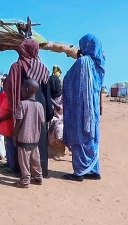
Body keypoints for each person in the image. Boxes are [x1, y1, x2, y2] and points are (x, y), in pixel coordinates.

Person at [5, 39, 54, 177]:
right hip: (40, 105)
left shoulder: (16, 66)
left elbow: (9, 88)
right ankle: (40, 172)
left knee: (22, 136)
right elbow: (47, 92)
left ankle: (22, 172)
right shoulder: (42, 68)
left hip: (23, 105)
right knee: (39, 137)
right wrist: (49, 112)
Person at [62, 34, 105, 182]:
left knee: (80, 136)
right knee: (91, 136)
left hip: (81, 108)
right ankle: (93, 170)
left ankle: (79, 171)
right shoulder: (99, 64)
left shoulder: (83, 63)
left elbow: (68, 80)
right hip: (92, 108)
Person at [13, 79, 45, 188]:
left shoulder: (22, 104)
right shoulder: (40, 106)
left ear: (26, 90)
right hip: (35, 138)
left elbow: (19, 121)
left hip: (23, 138)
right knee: (35, 158)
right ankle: (38, 177)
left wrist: (14, 134)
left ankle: (25, 180)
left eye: (22, 89)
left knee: (24, 160)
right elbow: (43, 123)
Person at [48, 65, 66, 158]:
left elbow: (60, 109)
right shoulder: (49, 97)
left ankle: (61, 151)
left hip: (62, 120)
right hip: (54, 119)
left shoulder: (63, 96)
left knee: (59, 128)